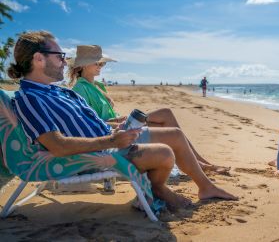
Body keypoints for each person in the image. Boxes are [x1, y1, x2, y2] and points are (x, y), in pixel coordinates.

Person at [7, 31, 237, 210]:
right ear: (38, 59)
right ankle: (157, 188)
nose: (65, 63)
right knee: (165, 153)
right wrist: (111, 140)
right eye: (60, 57)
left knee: (174, 134)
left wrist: (117, 129)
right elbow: (57, 145)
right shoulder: (30, 98)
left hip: (108, 139)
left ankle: (205, 187)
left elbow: (92, 122)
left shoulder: (59, 92)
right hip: (95, 152)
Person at [67, 45, 229, 174]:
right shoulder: (80, 89)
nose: (101, 66)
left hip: (118, 127)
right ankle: (199, 163)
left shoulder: (98, 86)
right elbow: (89, 124)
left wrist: (120, 118)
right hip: (112, 134)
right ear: (83, 65)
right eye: (97, 62)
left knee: (165, 124)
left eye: (102, 62)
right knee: (165, 113)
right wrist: (118, 121)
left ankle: (200, 162)